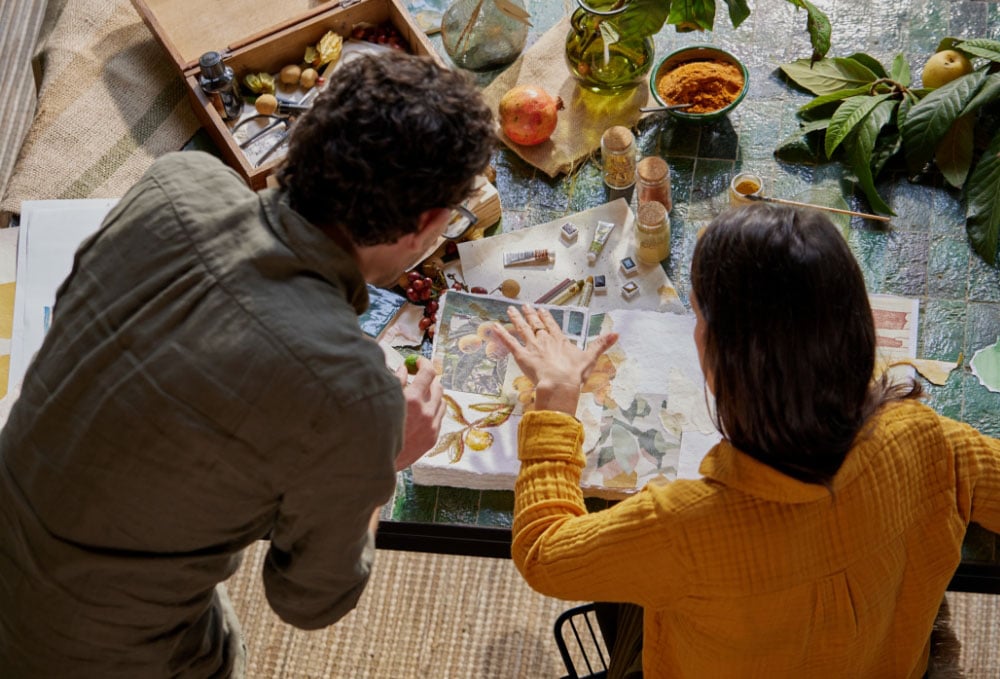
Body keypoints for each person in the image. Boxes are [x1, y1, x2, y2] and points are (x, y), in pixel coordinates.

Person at [0, 50, 495, 677]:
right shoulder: (352, 398)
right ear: (427, 224)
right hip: (95, 653)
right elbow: (306, 601)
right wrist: (382, 458)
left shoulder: (178, 181)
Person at [492, 203, 1000, 678]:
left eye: (696, 318)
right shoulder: (926, 436)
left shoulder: (678, 528)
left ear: (721, 362)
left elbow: (542, 553)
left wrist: (555, 401)